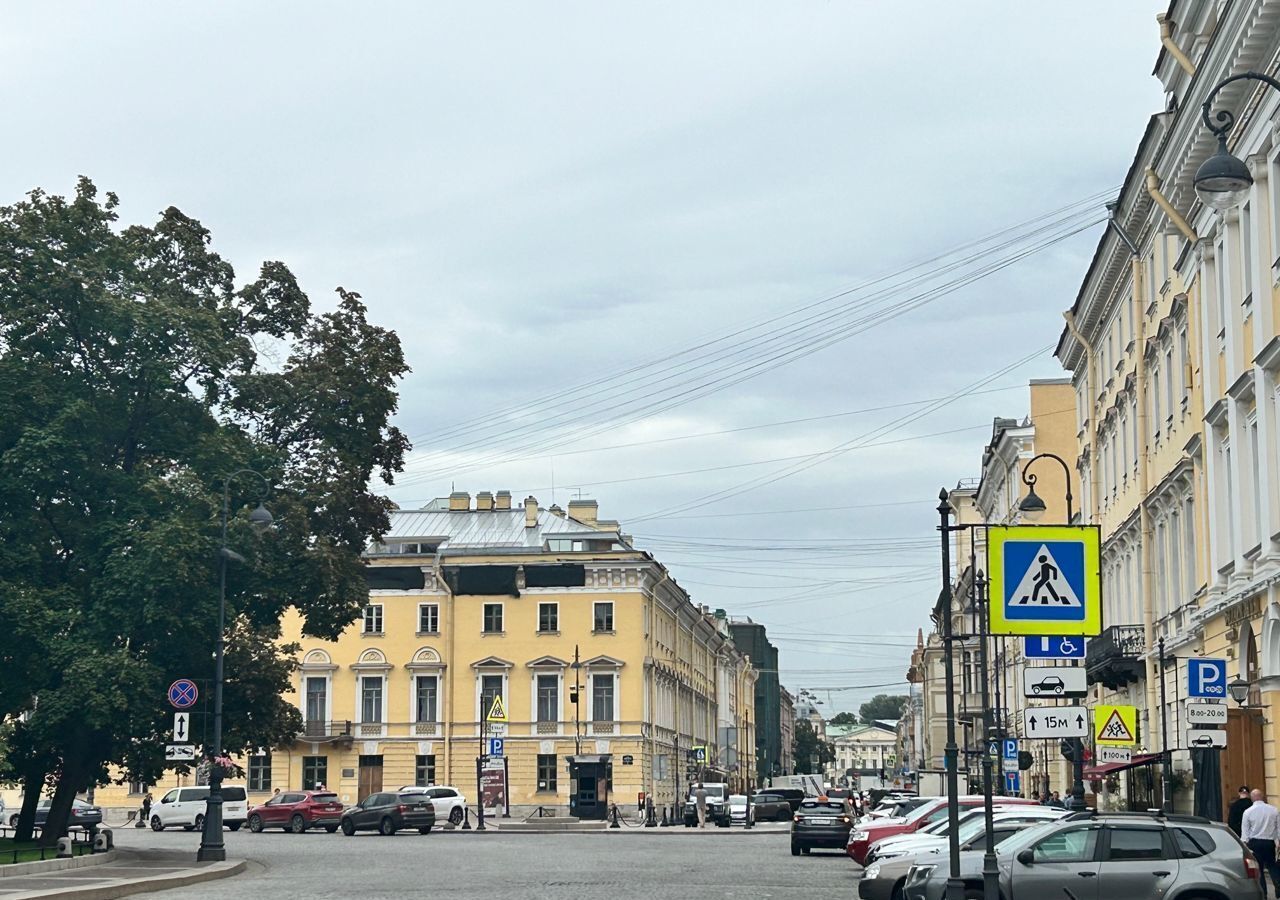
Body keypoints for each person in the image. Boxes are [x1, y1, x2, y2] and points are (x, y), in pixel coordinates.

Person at [1241, 789, 1280, 897]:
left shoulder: (1248, 812)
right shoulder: (1274, 810)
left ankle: (1264, 894)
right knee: (1273, 866)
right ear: (1262, 797)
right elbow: (1278, 828)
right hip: (1269, 842)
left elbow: (1245, 832)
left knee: (1259, 870)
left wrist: (1244, 844)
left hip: (1255, 843)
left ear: (1252, 798)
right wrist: (1278, 841)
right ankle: (1279, 888)